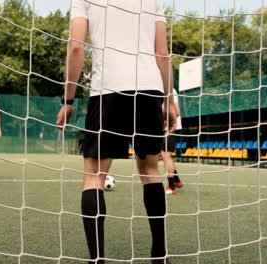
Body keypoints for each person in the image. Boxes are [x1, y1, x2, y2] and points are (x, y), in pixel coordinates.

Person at [56, 1, 177, 263]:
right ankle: (160, 255)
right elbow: (163, 54)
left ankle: (97, 259)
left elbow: (76, 47)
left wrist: (68, 100)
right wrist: (168, 100)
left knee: (94, 177)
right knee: (151, 172)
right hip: (149, 90)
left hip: (108, 90)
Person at [161, 89, 184, 195]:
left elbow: (176, 112)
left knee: (165, 155)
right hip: (166, 128)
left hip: (171, 128)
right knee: (165, 154)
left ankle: (171, 186)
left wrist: (164, 120)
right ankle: (177, 181)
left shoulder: (169, 89)